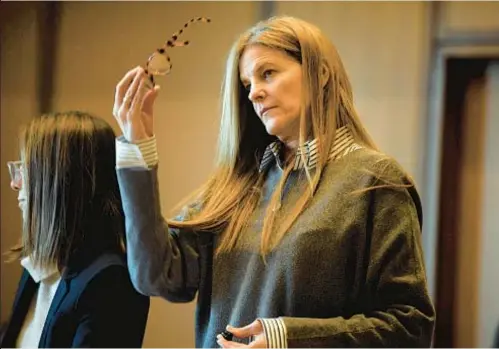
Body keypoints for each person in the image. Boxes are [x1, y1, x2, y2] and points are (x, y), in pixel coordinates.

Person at [113, 15, 436, 348]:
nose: (254, 93)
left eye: (267, 73)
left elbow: (410, 326)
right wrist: (138, 147)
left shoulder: (377, 181)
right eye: (247, 84)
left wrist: (288, 338)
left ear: (320, 74)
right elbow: (158, 275)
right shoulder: (235, 187)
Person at [1, 111, 150, 348]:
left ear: (60, 180)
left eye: (26, 168)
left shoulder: (110, 283)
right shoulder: (39, 265)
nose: (15, 182)